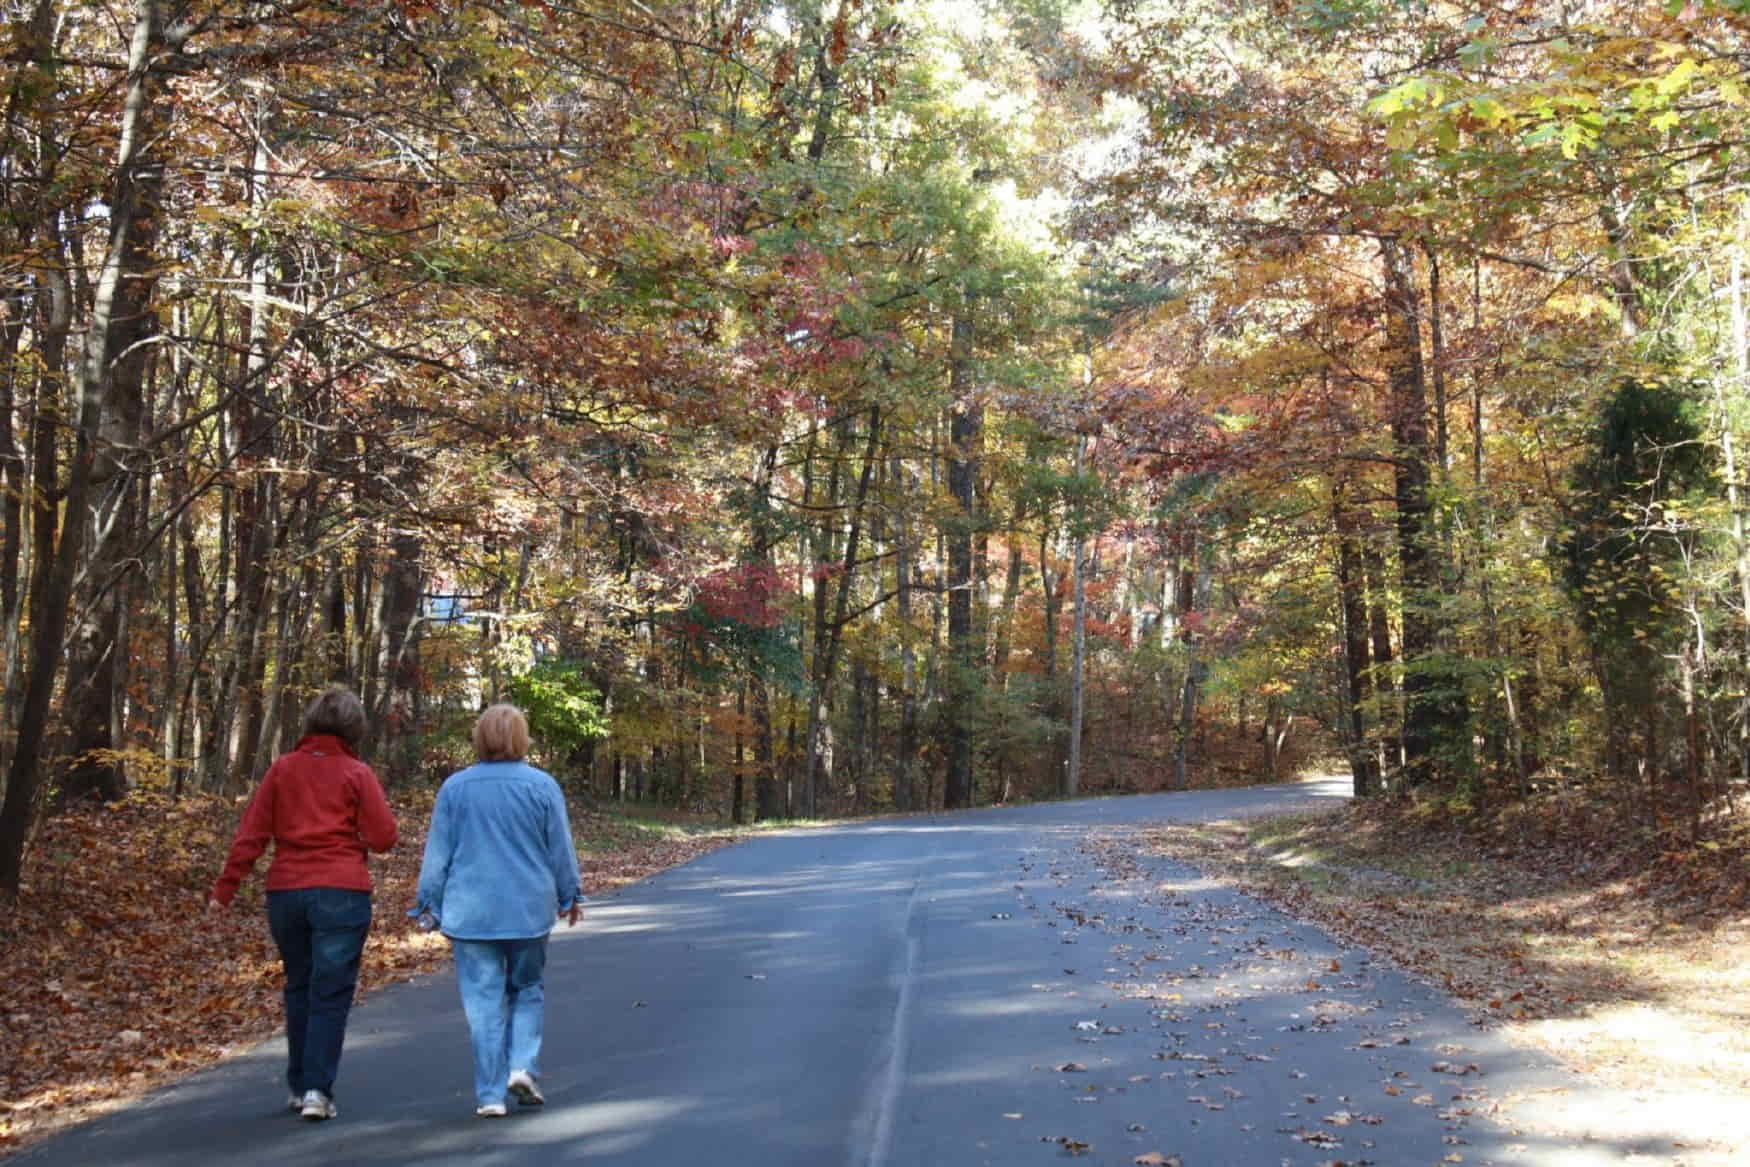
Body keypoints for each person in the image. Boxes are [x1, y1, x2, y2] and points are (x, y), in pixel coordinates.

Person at [207, 688, 398, 1122]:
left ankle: (299, 1085)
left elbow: (252, 834)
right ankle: (316, 1090)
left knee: (299, 985)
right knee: (329, 992)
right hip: (341, 892)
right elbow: (385, 837)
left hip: (287, 893)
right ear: (354, 728)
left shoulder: (282, 770)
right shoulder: (357, 773)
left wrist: (225, 889)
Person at [413, 703, 583, 1118]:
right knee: (527, 989)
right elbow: (559, 846)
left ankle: (490, 1095)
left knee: (483, 1003)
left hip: (471, 914)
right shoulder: (541, 786)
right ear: (521, 739)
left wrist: (426, 903)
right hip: (527, 909)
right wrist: (570, 894)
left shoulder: (455, 788)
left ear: (480, 738)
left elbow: (439, 853)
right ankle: (522, 1066)